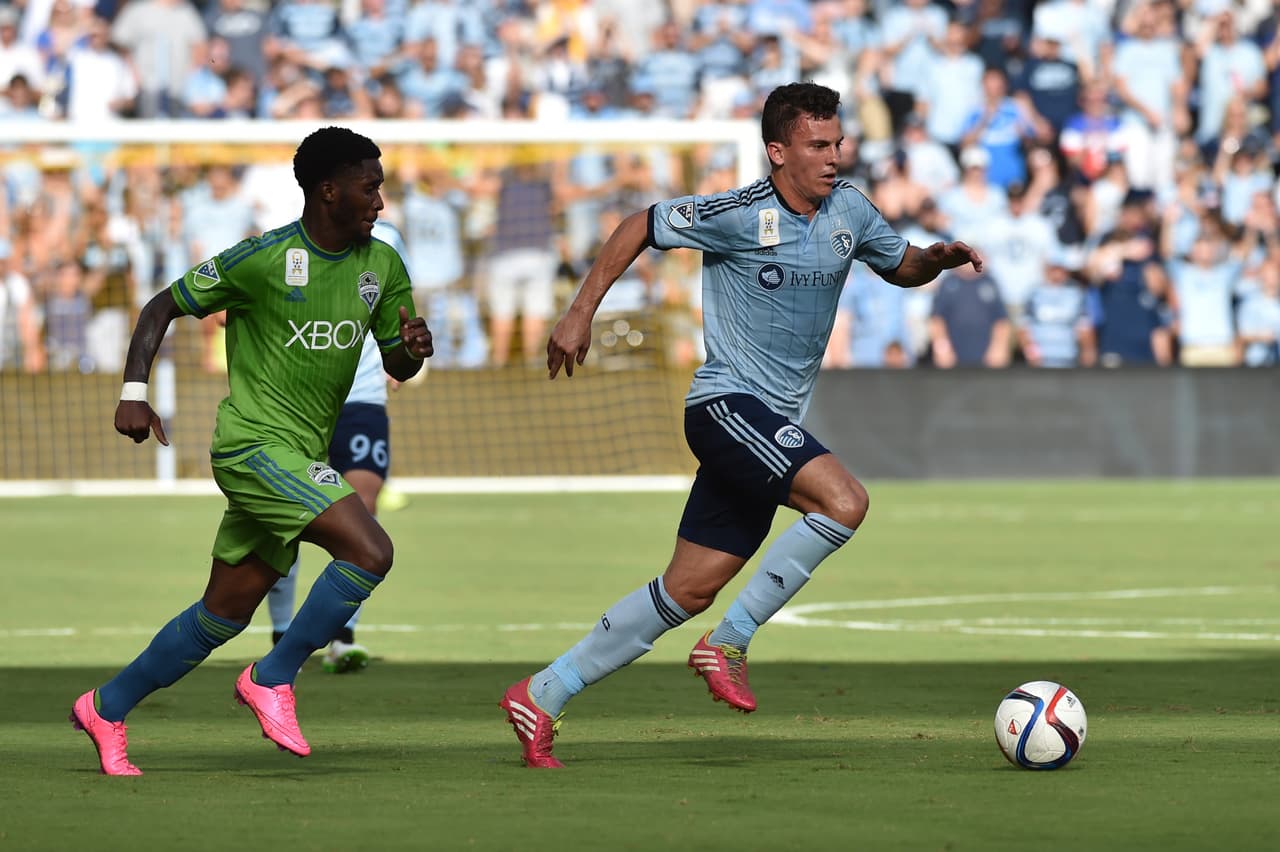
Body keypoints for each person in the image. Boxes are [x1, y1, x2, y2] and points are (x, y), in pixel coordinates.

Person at [499, 82, 982, 769]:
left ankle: (542, 692)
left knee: (688, 588)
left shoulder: (849, 209)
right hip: (725, 407)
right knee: (844, 501)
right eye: (818, 145)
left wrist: (934, 259)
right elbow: (639, 223)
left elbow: (899, 264)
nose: (833, 157)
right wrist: (580, 312)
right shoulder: (738, 212)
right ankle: (730, 641)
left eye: (838, 143)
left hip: (768, 425)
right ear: (778, 151)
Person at [69, 127, 433, 776]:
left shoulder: (382, 265)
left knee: (223, 613)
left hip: (299, 451)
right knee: (371, 550)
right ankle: (274, 676)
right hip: (252, 447)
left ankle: (106, 706)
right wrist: (133, 392)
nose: (380, 201)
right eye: (370, 187)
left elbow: (398, 360)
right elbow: (161, 306)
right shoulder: (264, 258)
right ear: (329, 191)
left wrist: (412, 348)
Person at [265, 219, 411, 674]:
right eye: (367, 188)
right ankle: (282, 634)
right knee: (285, 515)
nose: (375, 200)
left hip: (362, 395)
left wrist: (401, 353)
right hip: (300, 398)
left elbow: (401, 306)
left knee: (363, 506)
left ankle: (343, 636)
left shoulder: (390, 240)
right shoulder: (292, 242)